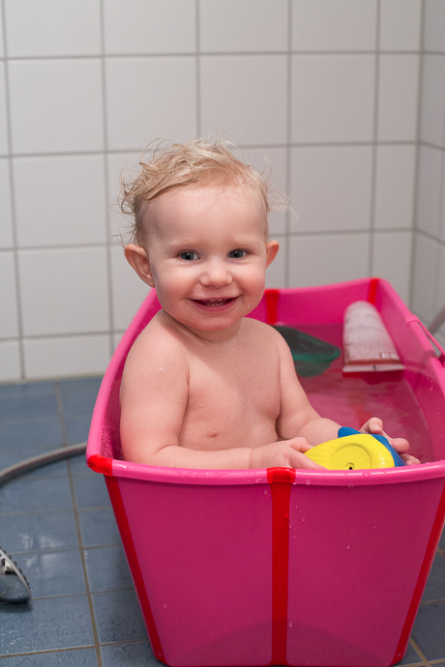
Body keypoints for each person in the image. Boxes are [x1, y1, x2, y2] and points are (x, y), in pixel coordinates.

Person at [119, 139, 417, 470]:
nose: (217, 277)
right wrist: (254, 460)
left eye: (237, 253)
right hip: (201, 500)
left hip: (269, 494)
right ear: (146, 266)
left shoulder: (270, 343)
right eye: (188, 255)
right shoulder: (160, 354)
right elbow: (148, 457)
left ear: (266, 257)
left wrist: (353, 443)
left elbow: (302, 424)